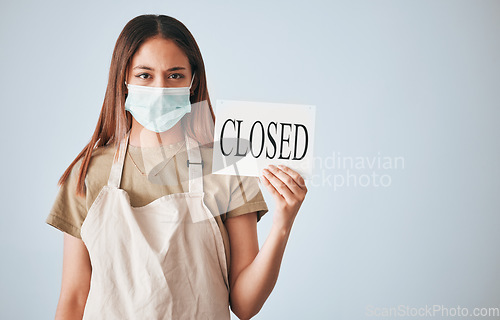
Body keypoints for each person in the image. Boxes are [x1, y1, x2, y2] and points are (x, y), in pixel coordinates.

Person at [46, 14, 308, 320]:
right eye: (145, 75)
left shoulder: (227, 168)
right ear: (124, 80)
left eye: (175, 75)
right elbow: (74, 299)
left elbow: (245, 305)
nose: (160, 88)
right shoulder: (87, 173)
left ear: (193, 81)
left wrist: (283, 223)